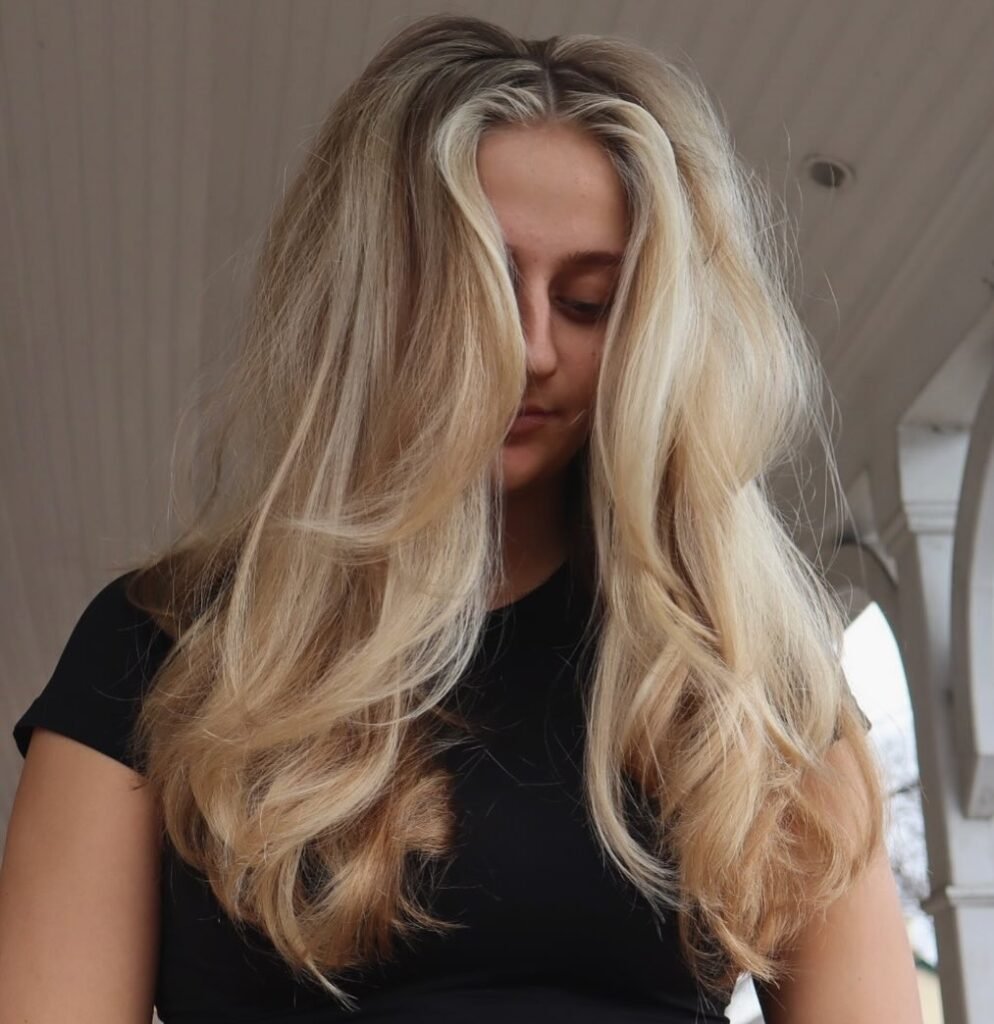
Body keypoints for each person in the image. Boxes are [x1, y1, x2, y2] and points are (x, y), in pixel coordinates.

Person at [0, 13, 923, 1024]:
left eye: (588, 303)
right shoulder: (160, 651)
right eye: (476, 286)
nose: (531, 349)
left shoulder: (750, 674)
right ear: (367, 301)